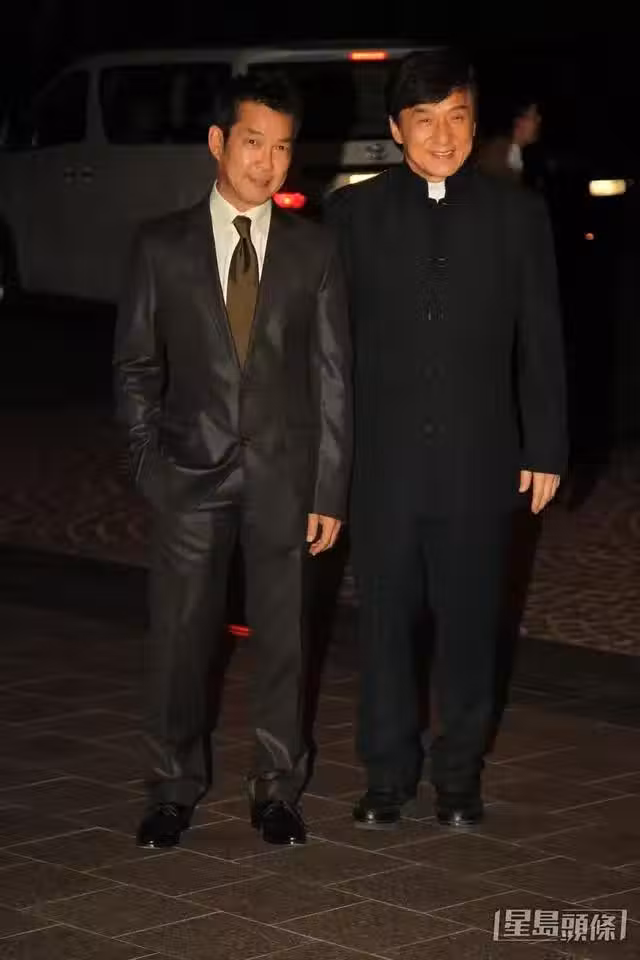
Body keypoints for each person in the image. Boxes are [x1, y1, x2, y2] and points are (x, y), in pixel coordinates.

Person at [326, 48, 566, 829]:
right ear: (397, 128)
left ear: (474, 121)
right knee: (385, 627)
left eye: (456, 117)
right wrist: (328, 461)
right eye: (424, 119)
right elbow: (328, 350)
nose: (442, 135)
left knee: (470, 626)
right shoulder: (354, 215)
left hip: (480, 460)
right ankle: (387, 774)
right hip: (384, 462)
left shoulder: (516, 215)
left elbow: (541, 340)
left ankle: (459, 774)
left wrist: (545, 446)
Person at [114, 71, 351, 849]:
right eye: (253, 142)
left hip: (286, 475)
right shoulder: (161, 244)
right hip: (189, 473)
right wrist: (148, 465)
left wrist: (329, 488)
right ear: (218, 142)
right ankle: (170, 786)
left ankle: (278, 789)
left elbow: (332, 375)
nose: (267, 162)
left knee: (285, 638)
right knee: (180, 640)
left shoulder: (314, 248)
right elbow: (136, 366)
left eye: (282, 148)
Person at [476, 97, 542, 185]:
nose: (539, 121)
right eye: (534, 117)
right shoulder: (497, 149)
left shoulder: (519, 155)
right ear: (519, 121)